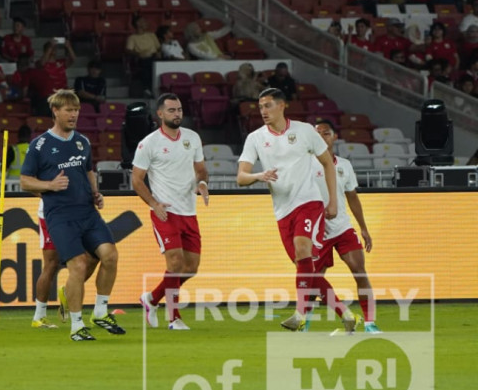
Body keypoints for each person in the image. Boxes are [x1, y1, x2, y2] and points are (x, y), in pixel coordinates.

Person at [236, 88, 353, 333]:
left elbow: (327, 164)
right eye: (260, 107)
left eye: (268, 106)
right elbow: (241, 177)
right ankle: (344, 312)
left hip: (308, 201)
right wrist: (259, 175)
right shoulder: (255, 138)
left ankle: (300, 314)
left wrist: (332, 200)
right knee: (306, 267)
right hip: (282, 210)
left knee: (303, 248)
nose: (263, 111)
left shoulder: (305, 131)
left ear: (282, 106)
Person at [19, 90, 123, 342]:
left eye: (76, 110)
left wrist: (96, 192)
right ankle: (76, 326)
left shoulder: (83, 142)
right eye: (68, 109)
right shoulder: (40, 145)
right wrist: (49, 186)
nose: (73, 114)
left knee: (110, 255)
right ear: (55, 111)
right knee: (77, 265)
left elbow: (88, 170)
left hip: (87, 212)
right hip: (60, 216)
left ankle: (99, 312)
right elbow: (24, 181)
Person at [132, 94, 209, 330]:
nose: (177, 114)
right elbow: (136, 180)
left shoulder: (193, 138)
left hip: (189, 211)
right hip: (164, 212)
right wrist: (154, 203)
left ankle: (152, 299)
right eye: (172, 110)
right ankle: (174, 318)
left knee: (191, 268)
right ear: (161, 114)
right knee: (175, 263)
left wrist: (203, 183)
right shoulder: (149, 143)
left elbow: (201, 170)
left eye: (179, 109)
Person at [312, 119, 380, 334]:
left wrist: (363, 227)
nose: (322, 137)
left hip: (342, 228)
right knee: (313, 281)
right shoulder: (305, 164)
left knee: (360, 273)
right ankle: (310, 321)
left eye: (326, 133)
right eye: (318, 134)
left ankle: (370, 323)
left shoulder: (344, 165)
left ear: (334, 137)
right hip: (316, 231)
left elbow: (352, 198)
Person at [126, 15, 161, 98]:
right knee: (147, 64)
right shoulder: (132, 38)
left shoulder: (152, 35)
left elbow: (158, 47)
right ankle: (148, 89)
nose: (146, 23)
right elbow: (128, 50)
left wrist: (159, 52)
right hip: (143, 58)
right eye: (143, 21)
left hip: (155, 57)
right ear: (138, 24)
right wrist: (138, 54)